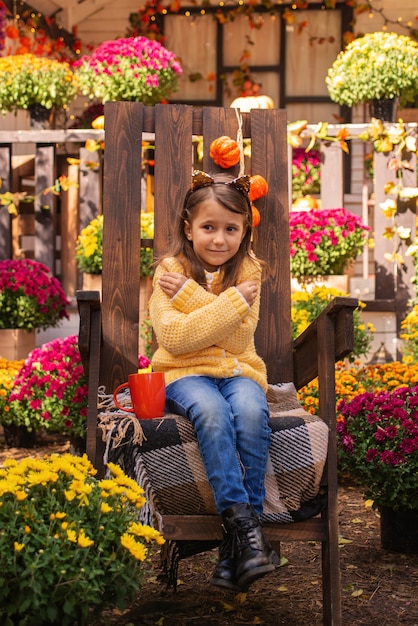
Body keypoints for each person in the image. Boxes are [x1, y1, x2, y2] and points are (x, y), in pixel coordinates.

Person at [149, 169, 277, 591]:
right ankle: (247, 533)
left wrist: (190, 296)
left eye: (230, 229)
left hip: (240, 370)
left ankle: (240, 544)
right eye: (208, 228)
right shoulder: (169, 268)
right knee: (211, 411)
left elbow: (241, 336)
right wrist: (227, 304)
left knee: (250, 410)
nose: (219, 239)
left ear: (244, 232)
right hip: (183, 374)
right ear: (188, 229)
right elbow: (174, 337)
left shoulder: (249, 270)